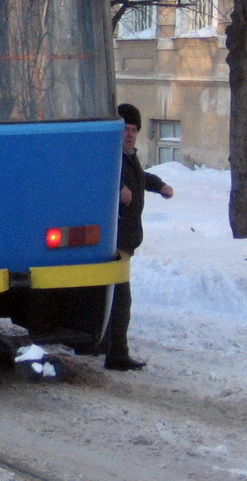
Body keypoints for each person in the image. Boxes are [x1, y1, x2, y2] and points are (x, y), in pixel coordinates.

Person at [105, 103, 174, 371]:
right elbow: (104, 179)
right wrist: (119, 188)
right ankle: (117, 354)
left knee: (114, 298)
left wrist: (160, 186)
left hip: (126, 240)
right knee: (121, 299)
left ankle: (107, 346)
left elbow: (141, 177)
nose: (130, 134)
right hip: (115, 240)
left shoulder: (129, 157)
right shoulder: (110, 159)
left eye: (134, 129)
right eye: (125, 129)